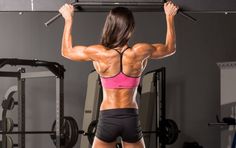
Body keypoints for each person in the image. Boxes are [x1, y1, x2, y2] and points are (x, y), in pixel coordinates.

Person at [59, 1, 178, 148]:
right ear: (130, 28)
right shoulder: (139, 51)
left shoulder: (99, 53)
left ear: (110, 26)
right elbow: (170, 48)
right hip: (130, 118)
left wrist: (68, 19)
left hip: (108, 118)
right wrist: (169, 16)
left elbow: (67, 51)